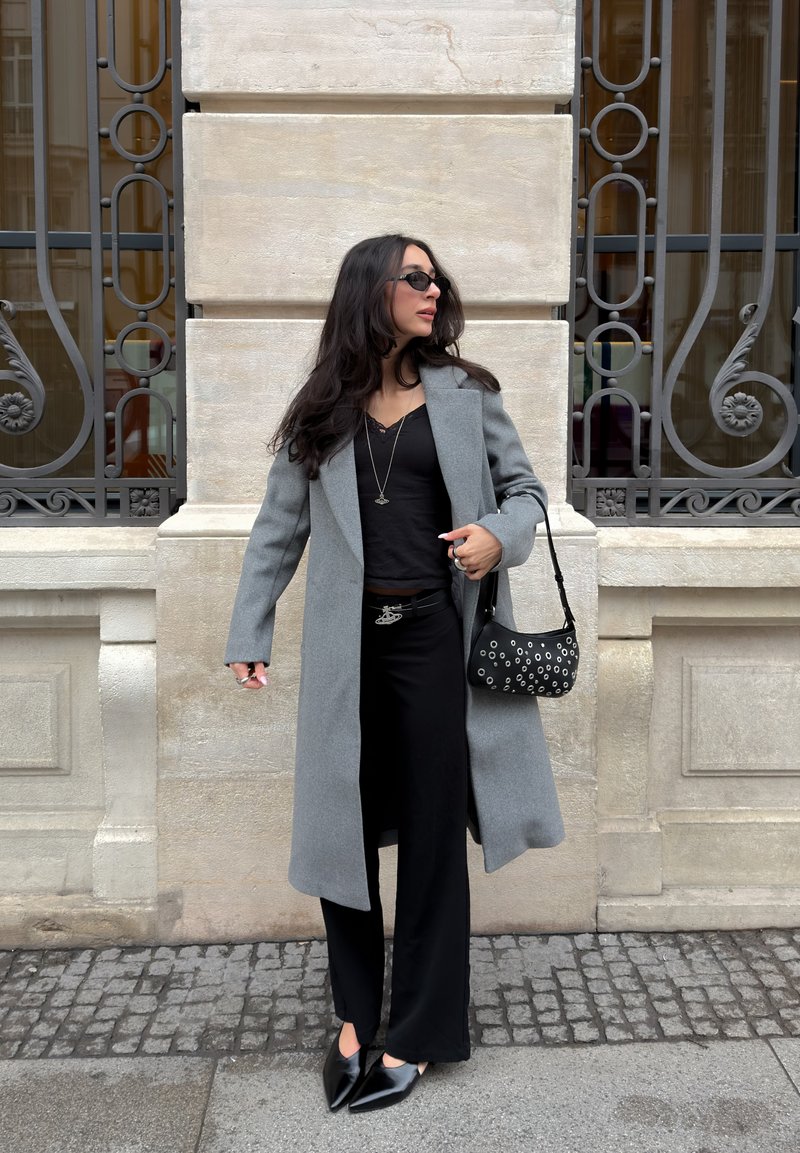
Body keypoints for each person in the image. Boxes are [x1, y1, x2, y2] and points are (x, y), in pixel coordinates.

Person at [225, 234, 565, 1113]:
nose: (432, 288)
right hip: (347, 650)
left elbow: (526, 494)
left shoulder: (467, 393)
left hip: (432, 642)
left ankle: (415, 1032)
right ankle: (352, 1020)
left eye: (434, 276)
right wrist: (249, 627)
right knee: (340, 831)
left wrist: (497, 537)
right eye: (413, 276)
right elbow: (278, 528)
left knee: (431, 835)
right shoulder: (320, 408)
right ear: (370, 291)